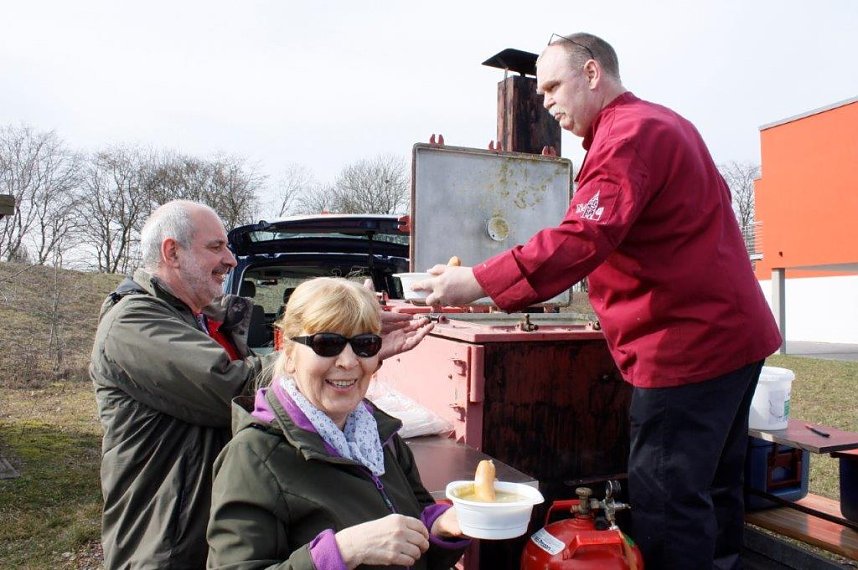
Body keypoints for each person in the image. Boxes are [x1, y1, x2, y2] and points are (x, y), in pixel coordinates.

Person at [414, 33, 782, 569]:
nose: (546, 102)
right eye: (538, 94)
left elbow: (582, 236)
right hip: (734, 340)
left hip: (685, 347)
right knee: (715, 490)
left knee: (667, 503)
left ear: (592, 73)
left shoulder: (628, 135)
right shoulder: (663, 123)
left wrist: (479, 282)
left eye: (554, 86)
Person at [91, 200, 433, 569]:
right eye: (216, 247)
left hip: (206, 529)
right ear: (172, 252)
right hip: (164, 542)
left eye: (361, 345)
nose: (231, 260)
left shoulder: (203, 319)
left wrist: (345, 344)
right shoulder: (132, 323)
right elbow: (231, 386)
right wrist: (331, 348)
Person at [206, 277, 468, 569]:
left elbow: (415, 539)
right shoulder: (253, 456)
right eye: (327, 344)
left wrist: (440, 527)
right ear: (288, 352)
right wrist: (342, 551)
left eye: (364, 344)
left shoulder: (381, 436)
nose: (347, 361)